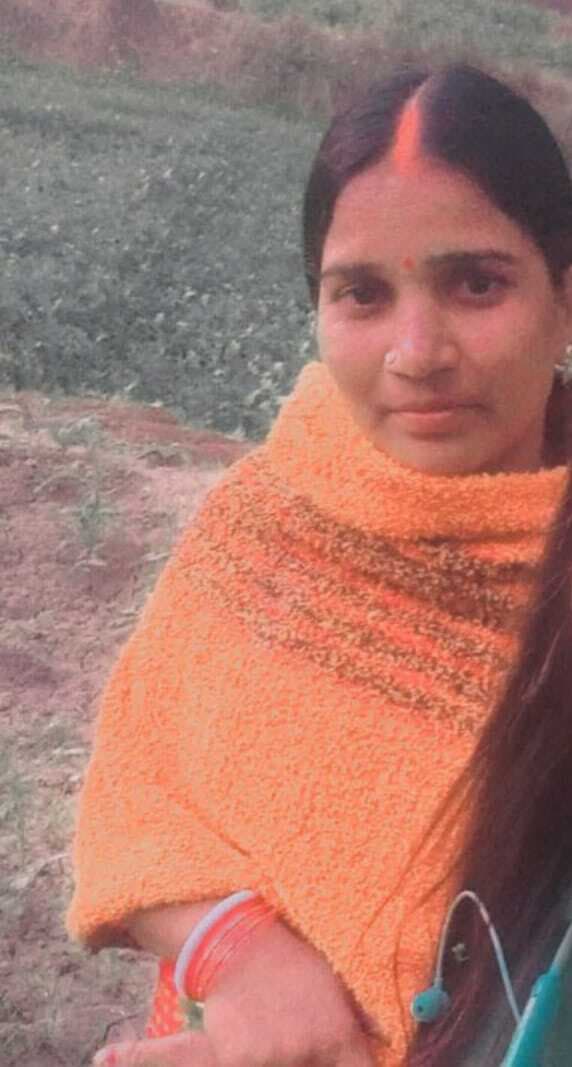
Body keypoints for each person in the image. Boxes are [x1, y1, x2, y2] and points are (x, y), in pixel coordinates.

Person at [66, 62, 572, 1066]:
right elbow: (138, 785)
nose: (416, 351)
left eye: (476, 283)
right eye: (362, 294)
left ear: (563, 297)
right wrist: (238, 951)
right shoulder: (265, 521)